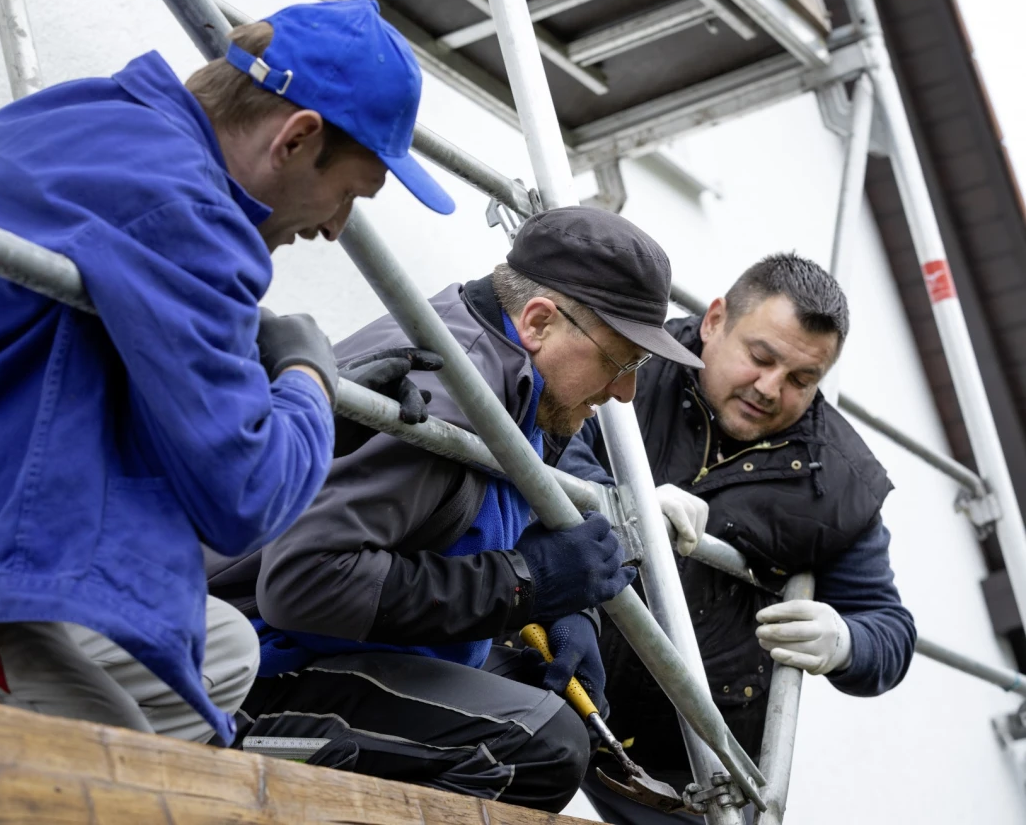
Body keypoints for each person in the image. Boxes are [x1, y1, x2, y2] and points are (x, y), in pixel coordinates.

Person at [0, 0, 451, 747]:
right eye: (350, 195)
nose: (333, 228)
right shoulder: (180, 209)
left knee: (217, 655)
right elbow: (247, 496)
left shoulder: (95, 120)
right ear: (297, 136)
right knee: (129, 782)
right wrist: (308, 378)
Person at [207, 205, 705, 811]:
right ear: (540, 321)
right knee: (541, 745)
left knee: (524, 690)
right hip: (245, 674)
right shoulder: (452, 397)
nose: (626, 391)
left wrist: (564, 613)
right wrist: (524, 584)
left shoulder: (522, 383)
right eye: (621, 361)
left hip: (330, 655)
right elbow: (305, 584)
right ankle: (255, 752)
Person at [559, 253, 917, 823]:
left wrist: (846, 640)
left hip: (682, 765)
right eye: (761, 357)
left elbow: (890, 632)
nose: (771, 388)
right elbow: (534, 423)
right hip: (544, 669)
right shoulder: (630, 355)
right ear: (714, 320)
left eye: (803, 379)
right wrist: (611, 497)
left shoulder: (843, 483)